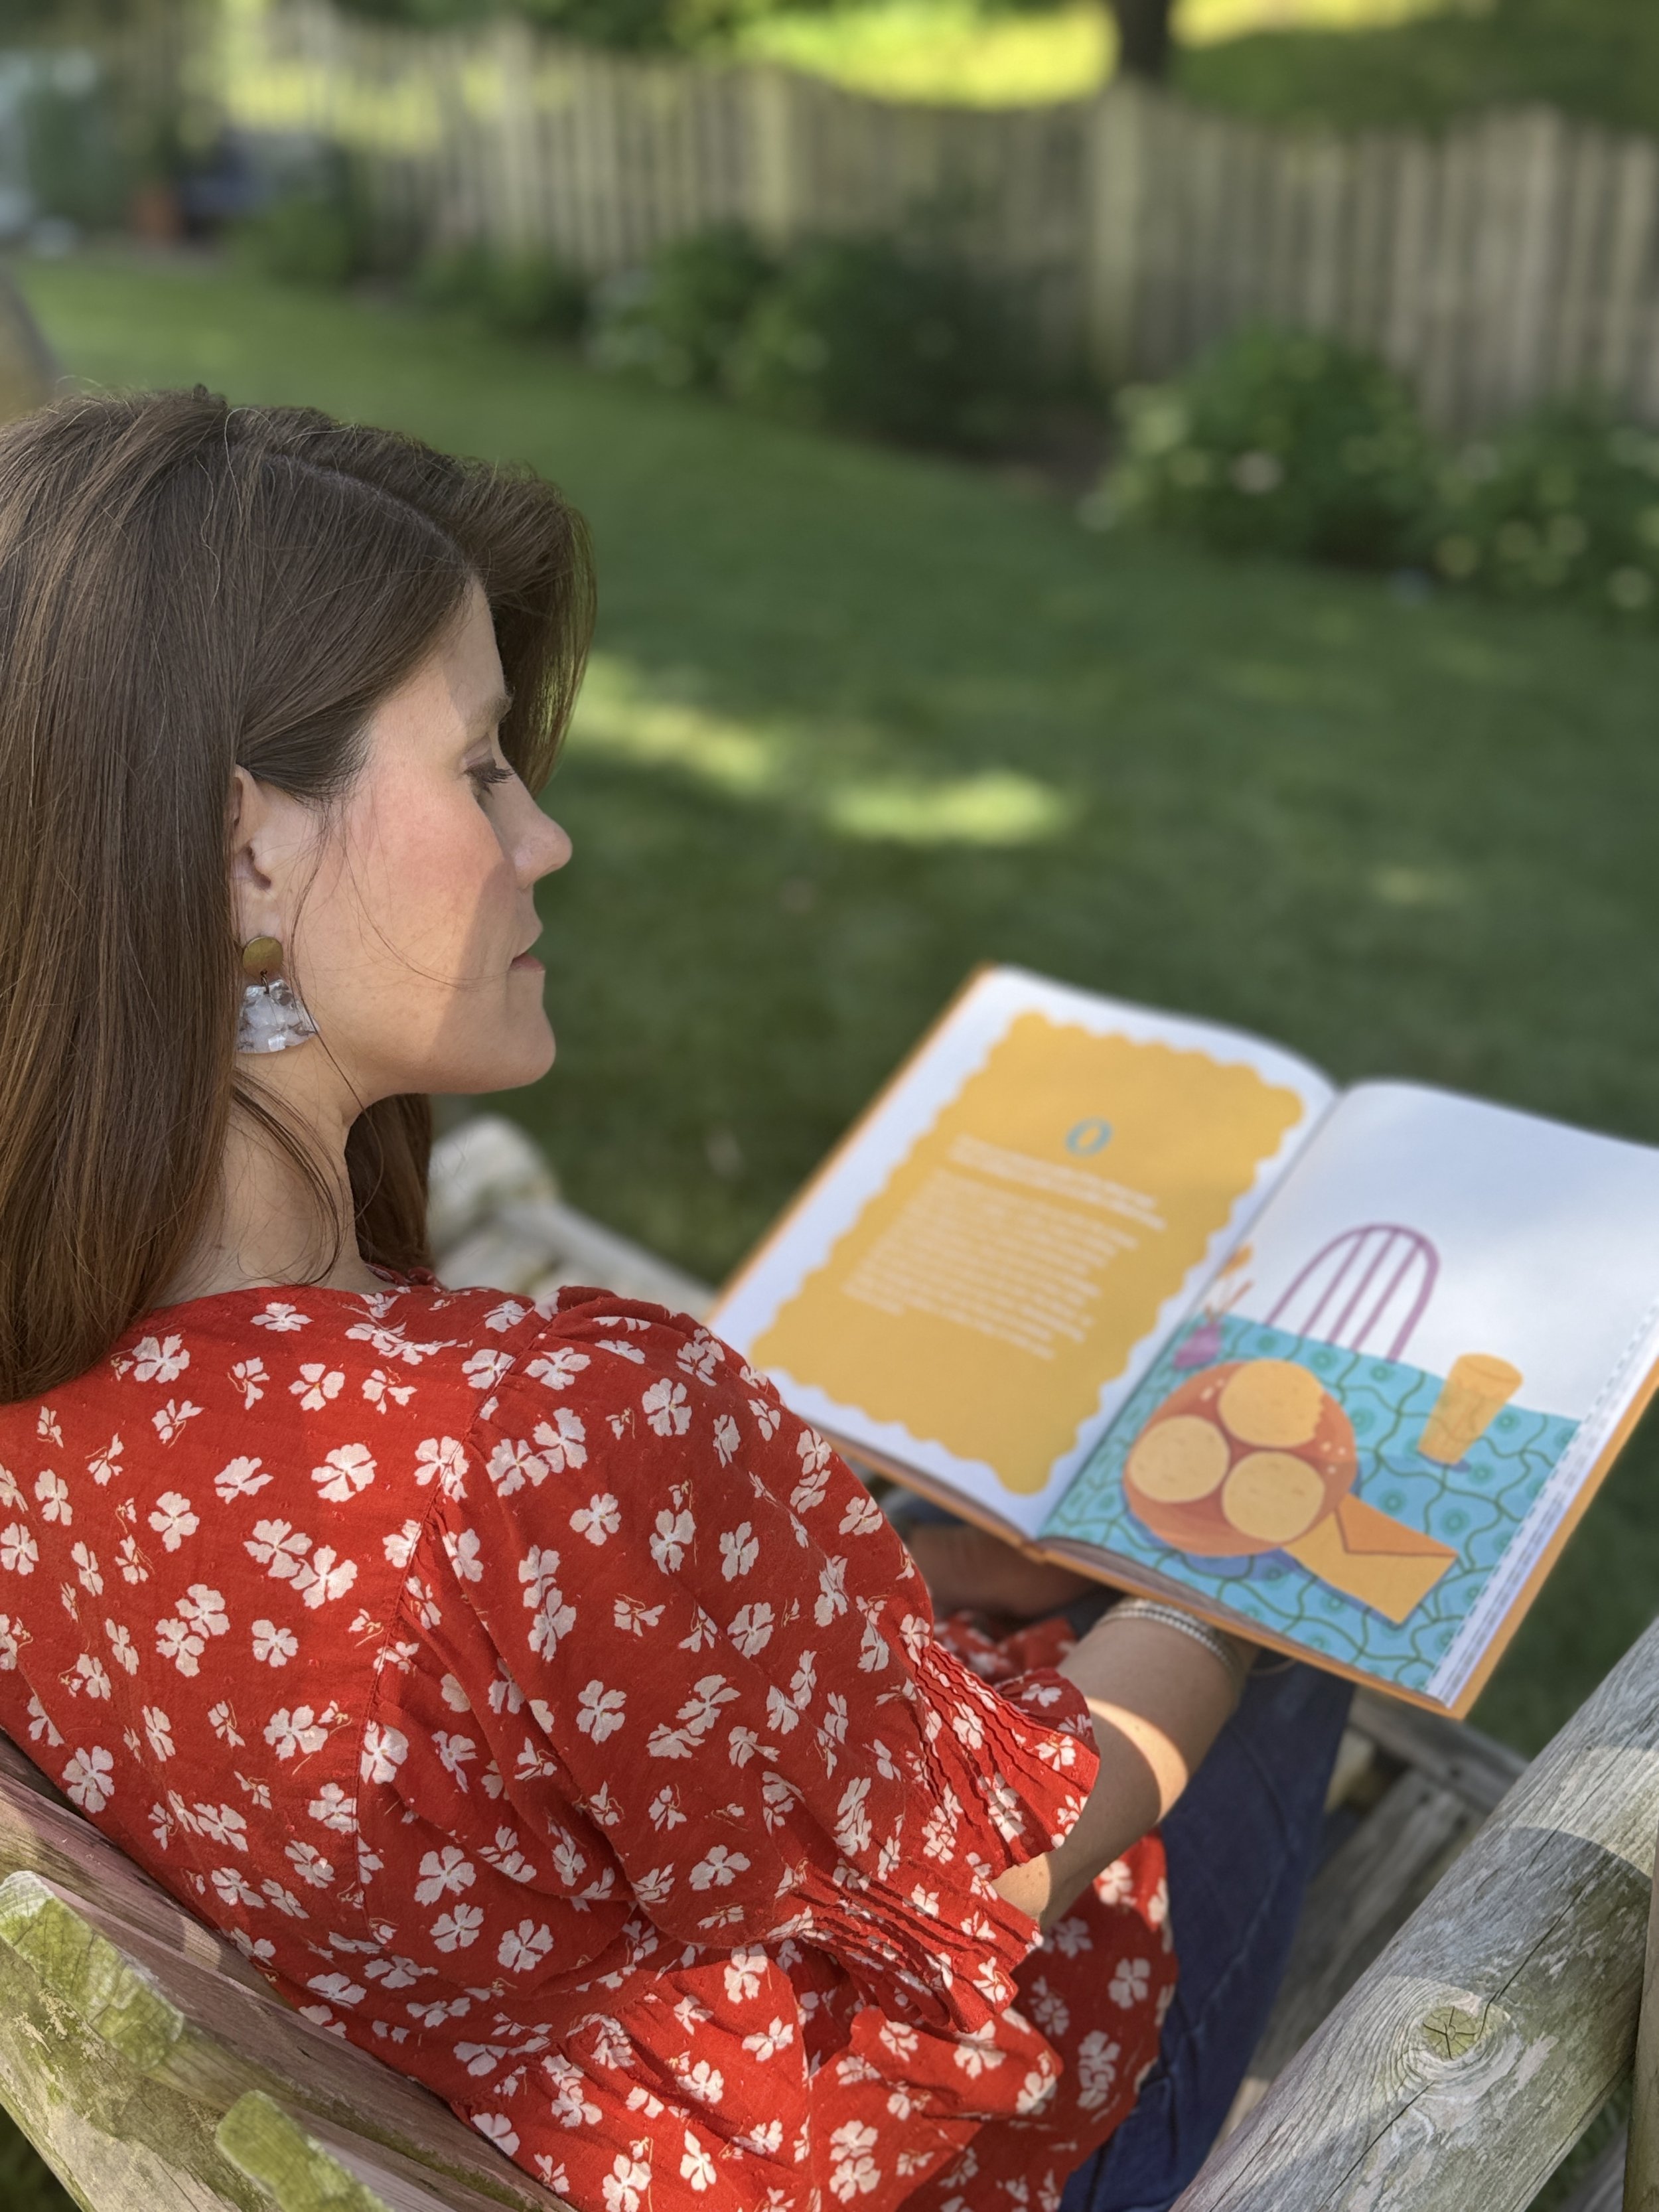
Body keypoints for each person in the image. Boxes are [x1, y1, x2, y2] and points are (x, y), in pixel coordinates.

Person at [0, 391, 1349, 2212]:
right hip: (894, 2159)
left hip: (528, 2073)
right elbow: (996, 1860)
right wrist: (1231, 1583)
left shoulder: (62, 1374)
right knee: (1297, 1618)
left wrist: (907, 1589)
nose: (541, 838)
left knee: (983, 1557)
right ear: (245, 852)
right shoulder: (551, 1434)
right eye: (479, 768)